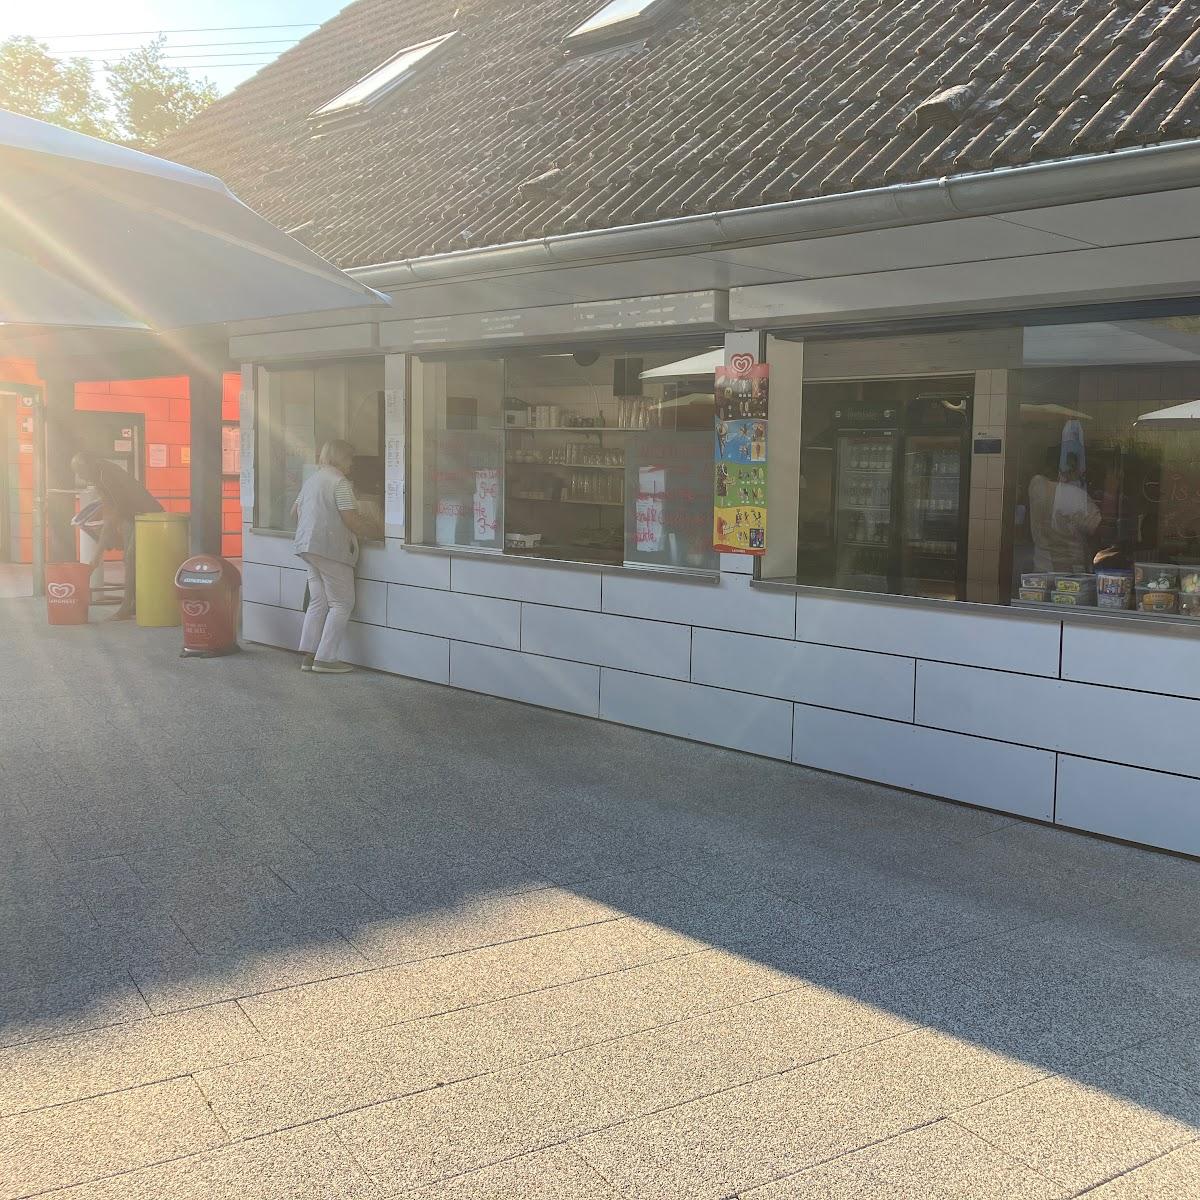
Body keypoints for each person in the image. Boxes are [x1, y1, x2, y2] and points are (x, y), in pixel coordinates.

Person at [292, 440, 375, 674]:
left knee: (318, 601)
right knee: (342, 603)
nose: (351, 463)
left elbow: (294, 512)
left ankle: (308, 655)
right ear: (341, 458)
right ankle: (326, 658)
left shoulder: (312, 480)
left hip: (308, 548)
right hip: (330, 549)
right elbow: (350, 519)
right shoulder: (339, 482)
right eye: (350, 458)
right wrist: (376, 531)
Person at [70, 451, 163, 621]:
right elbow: (109, 513)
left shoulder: (106, 476)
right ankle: (133, 603)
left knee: (131, 557)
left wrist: (97, 554)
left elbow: (114, 515)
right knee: (128, 560)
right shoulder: (98, 476)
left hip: (146, 515)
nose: (81, 478)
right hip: (131, 516)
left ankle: (127, 607)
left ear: (88, 466)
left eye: (81, 472)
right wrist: (97, 555)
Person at [1028, 446, 1101, 572]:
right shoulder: (1074, 495)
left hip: (1041, 568)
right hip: (1071, 573)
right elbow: (1098, 528)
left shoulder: (1036, 486)